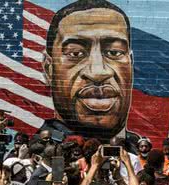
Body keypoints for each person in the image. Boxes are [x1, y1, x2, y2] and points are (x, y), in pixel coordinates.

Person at [36, 0, 140, 145]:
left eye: (114, 52)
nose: (98, 72)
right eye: (76, 53)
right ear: (48, 69)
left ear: (131, 63)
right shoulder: (37, 152)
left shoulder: (141, 153)